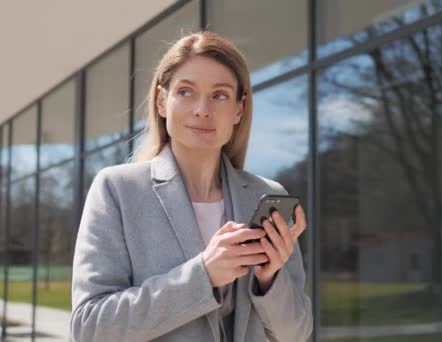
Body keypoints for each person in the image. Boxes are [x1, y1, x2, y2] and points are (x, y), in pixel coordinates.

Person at [70, 31, 313, 342]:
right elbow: (90, 328)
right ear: (161, 101)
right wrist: (203, 275)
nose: (202, 109)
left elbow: (297, 334)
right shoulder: (117, 190)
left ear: (239, 109)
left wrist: (270, 281)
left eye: (220, 95)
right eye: (185, 91)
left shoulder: (268, 196)